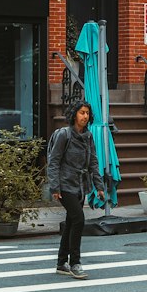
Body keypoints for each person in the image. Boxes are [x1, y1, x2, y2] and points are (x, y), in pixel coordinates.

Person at [47, 102, 104, 278]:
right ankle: (75, 263)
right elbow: (54, 161)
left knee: (71, 222)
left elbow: (93, 162)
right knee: (79, 219)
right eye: (81, 113)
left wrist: (99, 186)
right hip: (65, 185)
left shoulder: (88, 136)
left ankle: (61, 263)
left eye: (87, 113)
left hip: (80, 186)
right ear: (74, 115)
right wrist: (54, 186)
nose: (85, 116)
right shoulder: (64, 135)